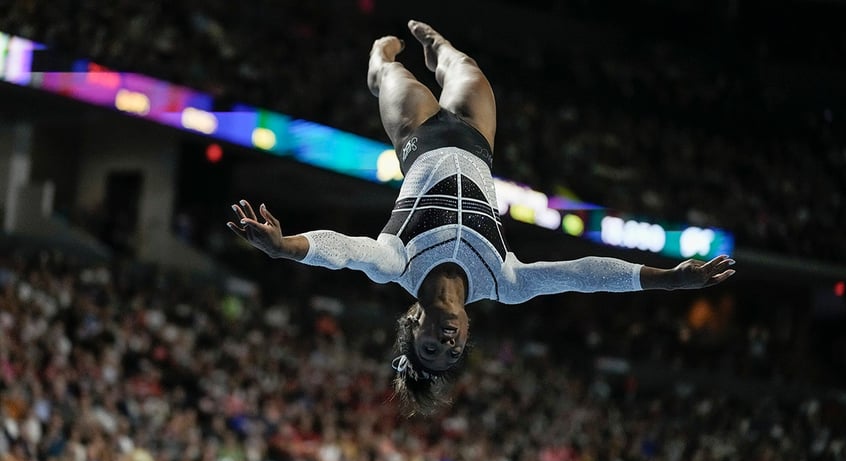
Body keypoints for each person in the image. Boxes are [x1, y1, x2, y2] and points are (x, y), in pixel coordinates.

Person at [227, 20, 736, 415]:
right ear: (467, 334)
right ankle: (441, 55)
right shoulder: (503, 282)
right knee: (464, 66)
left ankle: (377, 66)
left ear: (414, 323)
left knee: (391, 71)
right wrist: (664, 281)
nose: (445, 344)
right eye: (452, 352)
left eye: (430, 346)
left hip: (417, 136)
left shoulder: (396, 263)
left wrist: (284, 245)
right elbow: (583, 275)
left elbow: (341, 250)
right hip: (476, 142)